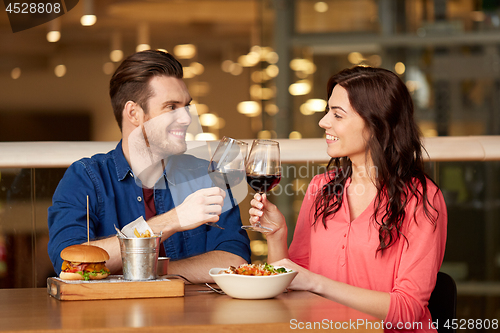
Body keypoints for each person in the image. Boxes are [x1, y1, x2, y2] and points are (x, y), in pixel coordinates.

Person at [249, 66, 447, 332]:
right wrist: (276, 236)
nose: (324, 122)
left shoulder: (422, 199)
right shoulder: (321, 187)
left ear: (377, 124)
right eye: (327, 110)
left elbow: (408, 310)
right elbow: (292, 284)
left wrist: (316, 282)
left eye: (337, 114)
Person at [48, 50, 250, 282]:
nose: (186, 119)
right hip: (111, 317)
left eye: (187, 106)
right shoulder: (85, 177)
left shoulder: (208, 176)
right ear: (134, 113)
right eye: (172, 107)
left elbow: (235, 262)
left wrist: (153, 270)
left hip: (194, 318)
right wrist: (173, 220)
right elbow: (70, 264)